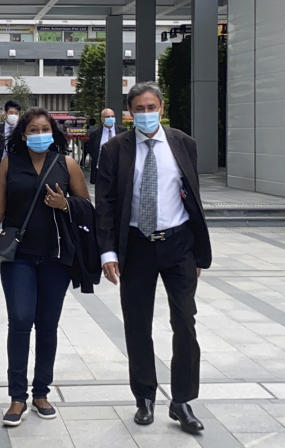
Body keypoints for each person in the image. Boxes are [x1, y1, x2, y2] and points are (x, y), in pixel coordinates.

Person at [95, 82, 212, 435]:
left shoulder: (183, 144)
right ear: (130, 112)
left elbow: (192, 195)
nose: (146, 114)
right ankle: (144, 396)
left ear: (161, 106)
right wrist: (107, 251)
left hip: (178, 244)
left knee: (185, 322)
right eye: (139, 108)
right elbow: (106, 204)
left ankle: (182, 401)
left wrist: (196, 251)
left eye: (151, 106)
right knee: (137, 323)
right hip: (136, 245)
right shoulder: (116, 149)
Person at [0, 108, 91, 427]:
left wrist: (64, 204)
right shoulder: (11, 164)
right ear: (23, 135)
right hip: (19, 257)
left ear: (53, 132)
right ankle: (16, 397)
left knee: (47, 324)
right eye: (34, 130)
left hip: (56, 258)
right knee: (21, 320)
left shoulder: (67, 164)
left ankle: (41, 392)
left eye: (45, 129)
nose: (40, 134)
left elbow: (87, 208)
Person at [81, 107, 125, 185]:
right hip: (100, 171)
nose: (110, 119)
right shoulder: (95, 134)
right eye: (108, 117)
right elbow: (91, 149)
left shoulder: (122, 131)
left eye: (112, 116)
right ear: (102, 119)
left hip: (119, 171)